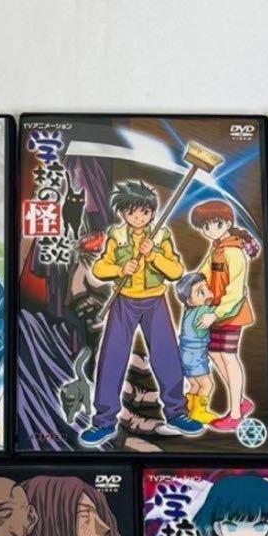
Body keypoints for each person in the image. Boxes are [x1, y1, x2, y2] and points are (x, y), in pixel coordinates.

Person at [81, 180, 203, 445]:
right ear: (123, 214)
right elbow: (99, 269)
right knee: (112, 359)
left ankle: (176, 413)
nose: (138, 218)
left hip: (155, 302)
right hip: (123, 302)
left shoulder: (160, 236)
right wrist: (120, 269)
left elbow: (176, 272)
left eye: (144, 212)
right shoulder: (117, 236)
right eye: (132, 212)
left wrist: (154, 255)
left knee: (166, 356)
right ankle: (103, 421)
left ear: (152, 212)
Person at [190, 199, 260, 430]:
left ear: (228, 223)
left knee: (228, 357)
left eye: (215, 224)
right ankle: (240, 400)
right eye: (205, 226)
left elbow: (236, 291)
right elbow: (204, 273)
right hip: (216, 311)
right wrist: (191, 287)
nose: (209, 230)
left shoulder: (234, 252)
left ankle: (236, 413)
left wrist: (216, 313)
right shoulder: (217, 248)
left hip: (231, 313)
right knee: (214, 352)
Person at [174, 271, 218, 424]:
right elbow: (220, 313)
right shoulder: (203, 311)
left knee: (195, 384)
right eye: (201, 292)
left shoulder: (189, 311)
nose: (208, 293)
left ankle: (190, 408)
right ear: (190, 301)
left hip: (184, 355)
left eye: (207, 288)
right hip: (195, 356)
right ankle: (200, 412)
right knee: (207, 385)